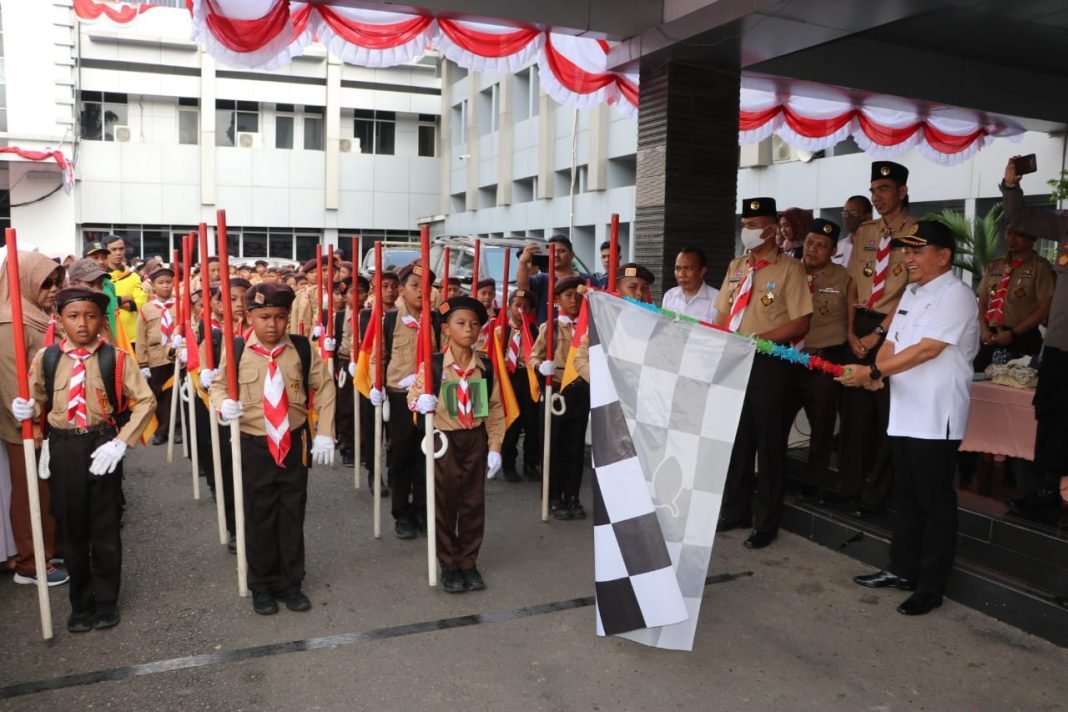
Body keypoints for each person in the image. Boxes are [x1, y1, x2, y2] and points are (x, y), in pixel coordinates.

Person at [840, 220, 979, 615]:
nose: (907, 258)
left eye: (917, 251)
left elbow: (929, 349)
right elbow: (893, 343)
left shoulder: (956, 295)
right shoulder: (912, 294)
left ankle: (931, 586)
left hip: (937, 414)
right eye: (906, 250)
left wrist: (876, 373)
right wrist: (876, 373)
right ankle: (901, 568)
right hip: (904, 408)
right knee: (906, 495)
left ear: (943, 256)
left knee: (935, 501)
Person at [14, 286, 155, 631]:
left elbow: (146, 401)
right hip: (63, 447)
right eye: (73, 316)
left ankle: (106, 600)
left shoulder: (116, 358)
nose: (82, 324)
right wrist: (25, 410)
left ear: (101, 321)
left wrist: (121, 442)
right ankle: (80, 602)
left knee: (105, 525)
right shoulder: (45, 359)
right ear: (59, 321)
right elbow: (36, 400)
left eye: (91, 316)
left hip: (102, 444)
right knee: (71, 527)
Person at [210, 282, 336, 616]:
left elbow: (323, 387)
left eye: (280, 317)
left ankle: (291, 583)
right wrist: (224, 405)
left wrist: (325, 432)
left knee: (292, 513)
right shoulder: (236, 349)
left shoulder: (300, 348)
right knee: (259, 515)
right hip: (254, 443)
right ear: (249, 315)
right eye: (264, 316)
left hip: (293, 442)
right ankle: (262, 585)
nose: (272, 325)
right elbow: (219, 386)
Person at [714, 196, 813, 549]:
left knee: (769, 444)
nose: (747, 231)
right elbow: (723, 313)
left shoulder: (790, 269)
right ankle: (735, 509)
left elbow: (801, 321)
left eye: (754, 226)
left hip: (770, 364)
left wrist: (760, 340)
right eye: (745, 224)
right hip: (734, 360)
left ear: (771, 230)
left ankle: (767, 522)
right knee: (738, 440)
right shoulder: (737, 265)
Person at [408, 296, 505, 593]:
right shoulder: (434, 366)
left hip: (474, 438)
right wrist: (419, 402)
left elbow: (496, 408)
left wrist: (494, 448)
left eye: (475, 324)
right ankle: (449, 563)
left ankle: (468, 561)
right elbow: (413, 397)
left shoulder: (485, 368)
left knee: (473, 504)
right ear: (447, 329)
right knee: (445, 503)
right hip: (445, 442)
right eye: (461, 323)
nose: (469, 329)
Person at [838, 161, 916, 515]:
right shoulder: (866, 232)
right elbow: (853, 283)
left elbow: (910, 292)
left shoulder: (918, 231)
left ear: (902, 191)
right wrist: (851, 331)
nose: (877, 196)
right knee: (854, 414)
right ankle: (850, 488)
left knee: (887, 415)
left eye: (884, 189)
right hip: (859, 324)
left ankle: (878, 495)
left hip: (895, 326)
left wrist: (878, 334)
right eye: (873, 190)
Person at [998, 156, 1068, 515]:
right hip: (1059, 344)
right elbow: (1020, 218)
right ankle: (1045, 491)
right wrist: (1012, 185)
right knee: (1050, 414)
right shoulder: (1066, 225)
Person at [0, 252, 70, 586]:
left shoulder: (40, 317)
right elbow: (13, 382)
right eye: (46, 283)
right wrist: (32, 424)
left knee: (46, 490)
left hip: (50, 421)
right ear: (25, 281)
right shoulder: (10, 321)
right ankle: (30, 563)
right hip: (26, 426)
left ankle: (48, 550)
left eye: (58, 281)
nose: (54, 289)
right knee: (31, 492)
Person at [370, 263, 440, 539]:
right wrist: (378, 388)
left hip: (428, 401)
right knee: (401, 456)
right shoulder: (389, 321)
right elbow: (379, 358)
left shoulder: (436, 321)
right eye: (414, 286)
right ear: (401, 290)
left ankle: (423, 509)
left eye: (427, 287)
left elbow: (444, 356)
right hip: (400, 399)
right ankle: (402, 513)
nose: (422, 292)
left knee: (427, 456)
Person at [788, 219, 854, 498]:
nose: (813, 249)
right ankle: (771, 475)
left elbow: (851, 324)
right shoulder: (787, 272)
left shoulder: (844, 279)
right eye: (811, 242)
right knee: (775, 420)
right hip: (787, 359)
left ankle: (814, 483)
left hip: (822, 361)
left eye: (822, 246)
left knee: (822, 426)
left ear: (832, 250)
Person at [530, 275, 589, 520]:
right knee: (554, 446)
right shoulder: (550, 327)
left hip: (581, 388)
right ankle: (553, 496)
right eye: (568, 296)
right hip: (556, 390)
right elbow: (533, 356)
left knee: (575, 447)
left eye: (578, 296)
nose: (574, 301)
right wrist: (540, 367)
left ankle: (572, 495)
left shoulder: (587, 328)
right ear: (556, 300)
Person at [974, 224, 1054, 371]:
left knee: (1019, 383)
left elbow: (1044, 308)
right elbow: (983, 302)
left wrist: (1013, 333)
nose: (1011, 239)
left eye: (1018, 234)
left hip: (1023, 337)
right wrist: (984, 329)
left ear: (1032, 239)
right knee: (979, 380)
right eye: (1008, 233)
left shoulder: (1040, 267)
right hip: (991, 337)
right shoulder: (995, 266)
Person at [498, 288, 540, 483]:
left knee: (532, 423)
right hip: (508, 378)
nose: (521, 310)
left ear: (530, 310)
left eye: (525, 307)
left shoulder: (534, 331)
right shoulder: (501, 330)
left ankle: (531, 463)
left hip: (528, 376)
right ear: (509, 308)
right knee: (511, 423)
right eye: (517, 306)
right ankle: (508, 464)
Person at [136, 265, 181, 446]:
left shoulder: (181, 305)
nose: (165, 286)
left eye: (168, 282)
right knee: (158, 395)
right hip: (156, 356)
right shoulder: (147, 308)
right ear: (153, 286)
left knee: (176, 393)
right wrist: (143, 363)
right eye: (160, 283)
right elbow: (141, 336)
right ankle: (161, 429)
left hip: (177, 355)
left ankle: (177, 428)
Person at [516, 236, 593, 324]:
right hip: (548, 334)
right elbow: (523, 286)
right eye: (552, 251)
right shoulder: (541, 279)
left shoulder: (589, 280)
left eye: (562, 251)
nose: (556, 255)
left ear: (572, 255)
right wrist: (522, 262)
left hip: (582, 333)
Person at [104, 234, 146, 350]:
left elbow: (141, 303)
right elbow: (103, 303)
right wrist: (125, 298)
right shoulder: (101, 279)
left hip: (132, 337)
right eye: (114, 249)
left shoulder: (133, 277)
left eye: (121, 249)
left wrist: (114, 302)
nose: (118, 253)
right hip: (109, 336)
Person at [661, 247, 720, 323]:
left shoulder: (717, 299)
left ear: (702, 271)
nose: (681, 274)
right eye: (678, 268)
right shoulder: (670, 296)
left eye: (687, 268)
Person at [835, 195, 873, 267]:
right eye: (845, 213)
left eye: (853, 213)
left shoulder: (878, 244)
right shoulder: (838, 247)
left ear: (868, 217)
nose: (848, 217)